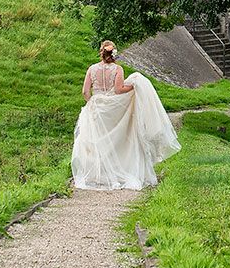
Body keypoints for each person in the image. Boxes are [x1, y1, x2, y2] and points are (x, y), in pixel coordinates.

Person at [71, 40, 180, 190]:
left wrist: (92, 103)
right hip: (113, 108)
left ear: (101, 53)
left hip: (96, 108)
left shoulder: (91, 69)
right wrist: (134, 86)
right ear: (113, 54)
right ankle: (118, 171)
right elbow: (118, 90)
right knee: (117, 141)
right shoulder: (118, 69)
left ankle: (98, 175)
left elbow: (85, 92)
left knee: (96, 141)